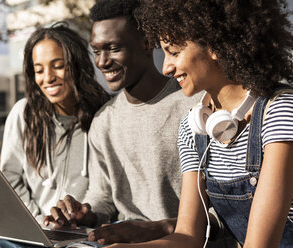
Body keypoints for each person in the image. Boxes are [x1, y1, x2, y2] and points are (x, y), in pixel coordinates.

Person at [105, 0, 293, 247]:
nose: (166, 68)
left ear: (214, 44)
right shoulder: (194, 127)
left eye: (174, 51)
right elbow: (186, 236)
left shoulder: (281, 111)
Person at [44, 0, 203, 246]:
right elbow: (103, 196)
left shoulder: (195, 105)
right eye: (97, 51)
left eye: (113, 48)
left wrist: (152, 229)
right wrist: (83, 212)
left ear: (147, 43)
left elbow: (222, 208)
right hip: (122, 239)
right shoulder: (103, 121)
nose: (102, 62)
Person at [0, 23, 110, 248]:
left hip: (82, 235)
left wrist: (85, 214)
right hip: (33, 231)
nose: (48, 78)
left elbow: (106, 192)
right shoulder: (23, 114)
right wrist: (37, 223)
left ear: (77, 65)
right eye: (39, 69)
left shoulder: (103, 117)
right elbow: (12, 178)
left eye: (58, 66)